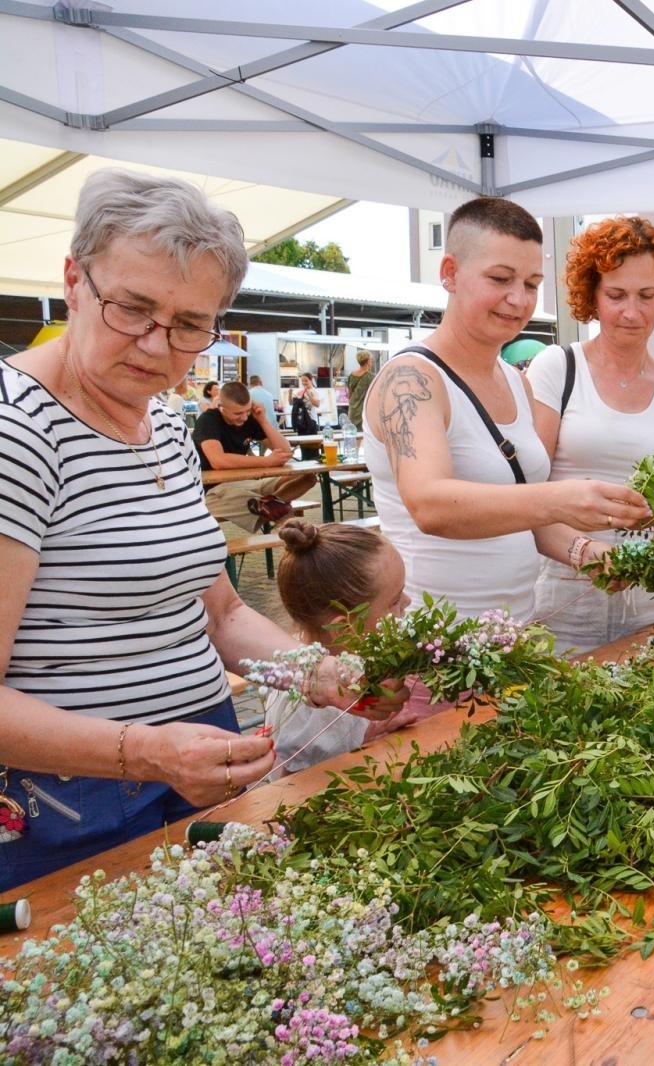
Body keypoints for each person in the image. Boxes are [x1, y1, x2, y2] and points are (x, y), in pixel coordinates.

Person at [0, 169, 401, 892]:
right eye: (132, 308)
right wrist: (148, 753)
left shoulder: (160, 421)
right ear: (73, 281)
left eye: (190, 325)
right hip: (71, 802)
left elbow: (218, 611)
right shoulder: (17, 431)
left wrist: (321, 675)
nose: (158, 346)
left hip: (199, 765)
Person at [365, 197, 648, 627]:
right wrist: (559, 498)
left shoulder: (517, 381)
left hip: (512, 637)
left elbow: (519, 512)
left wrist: (587, 553)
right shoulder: (411, 379)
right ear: (450, 274)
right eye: (500, 279)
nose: (518, 300)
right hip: (431, 646)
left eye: (532, 284)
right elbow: (429, 504)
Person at [527, 215, 654, 654]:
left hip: (650, 598)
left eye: (647, 295)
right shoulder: (557, 369)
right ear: (592, 295)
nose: (632, 311)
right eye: (616, 295)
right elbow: (524, 498)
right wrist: (586, 552)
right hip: (563, 591)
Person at [266, 520, 418, 775]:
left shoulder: (345, 666)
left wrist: (368, 739)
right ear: (345, 628)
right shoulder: (311, 702)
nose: (408, 601)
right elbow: (295, 787)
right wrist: (361, 752)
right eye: (394, 600)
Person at [193, 380, 319, 530]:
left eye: (247, 411)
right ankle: (272, 509)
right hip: (213, 490)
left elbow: (285, 451)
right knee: (274, 510)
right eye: (238, 413)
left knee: (308, 478)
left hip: (245, 483)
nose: (244, 418)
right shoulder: (208, 421)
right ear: (221, 407)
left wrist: (262, 420)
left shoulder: (250, 419)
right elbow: (218, 461)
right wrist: (267, 461)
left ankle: (269, 505)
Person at [345, 348, 375, 429]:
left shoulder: (351, 375)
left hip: (352, 411)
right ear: (368, 361)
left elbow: (349, 395)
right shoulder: (371, 377)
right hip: (363, 413)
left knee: (353, 435)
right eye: (371, 360)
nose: (371, 362)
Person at [288, 372, 321, 436]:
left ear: (311, 380)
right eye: (302, 381)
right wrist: (290, 393)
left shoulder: (314, 391)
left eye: (306, 380)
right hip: (301, 421)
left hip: (311, 420)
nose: (304, 382)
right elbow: (291, 403)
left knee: (312, 443)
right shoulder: (301, 391)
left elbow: (317, 404)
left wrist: (309, 394)